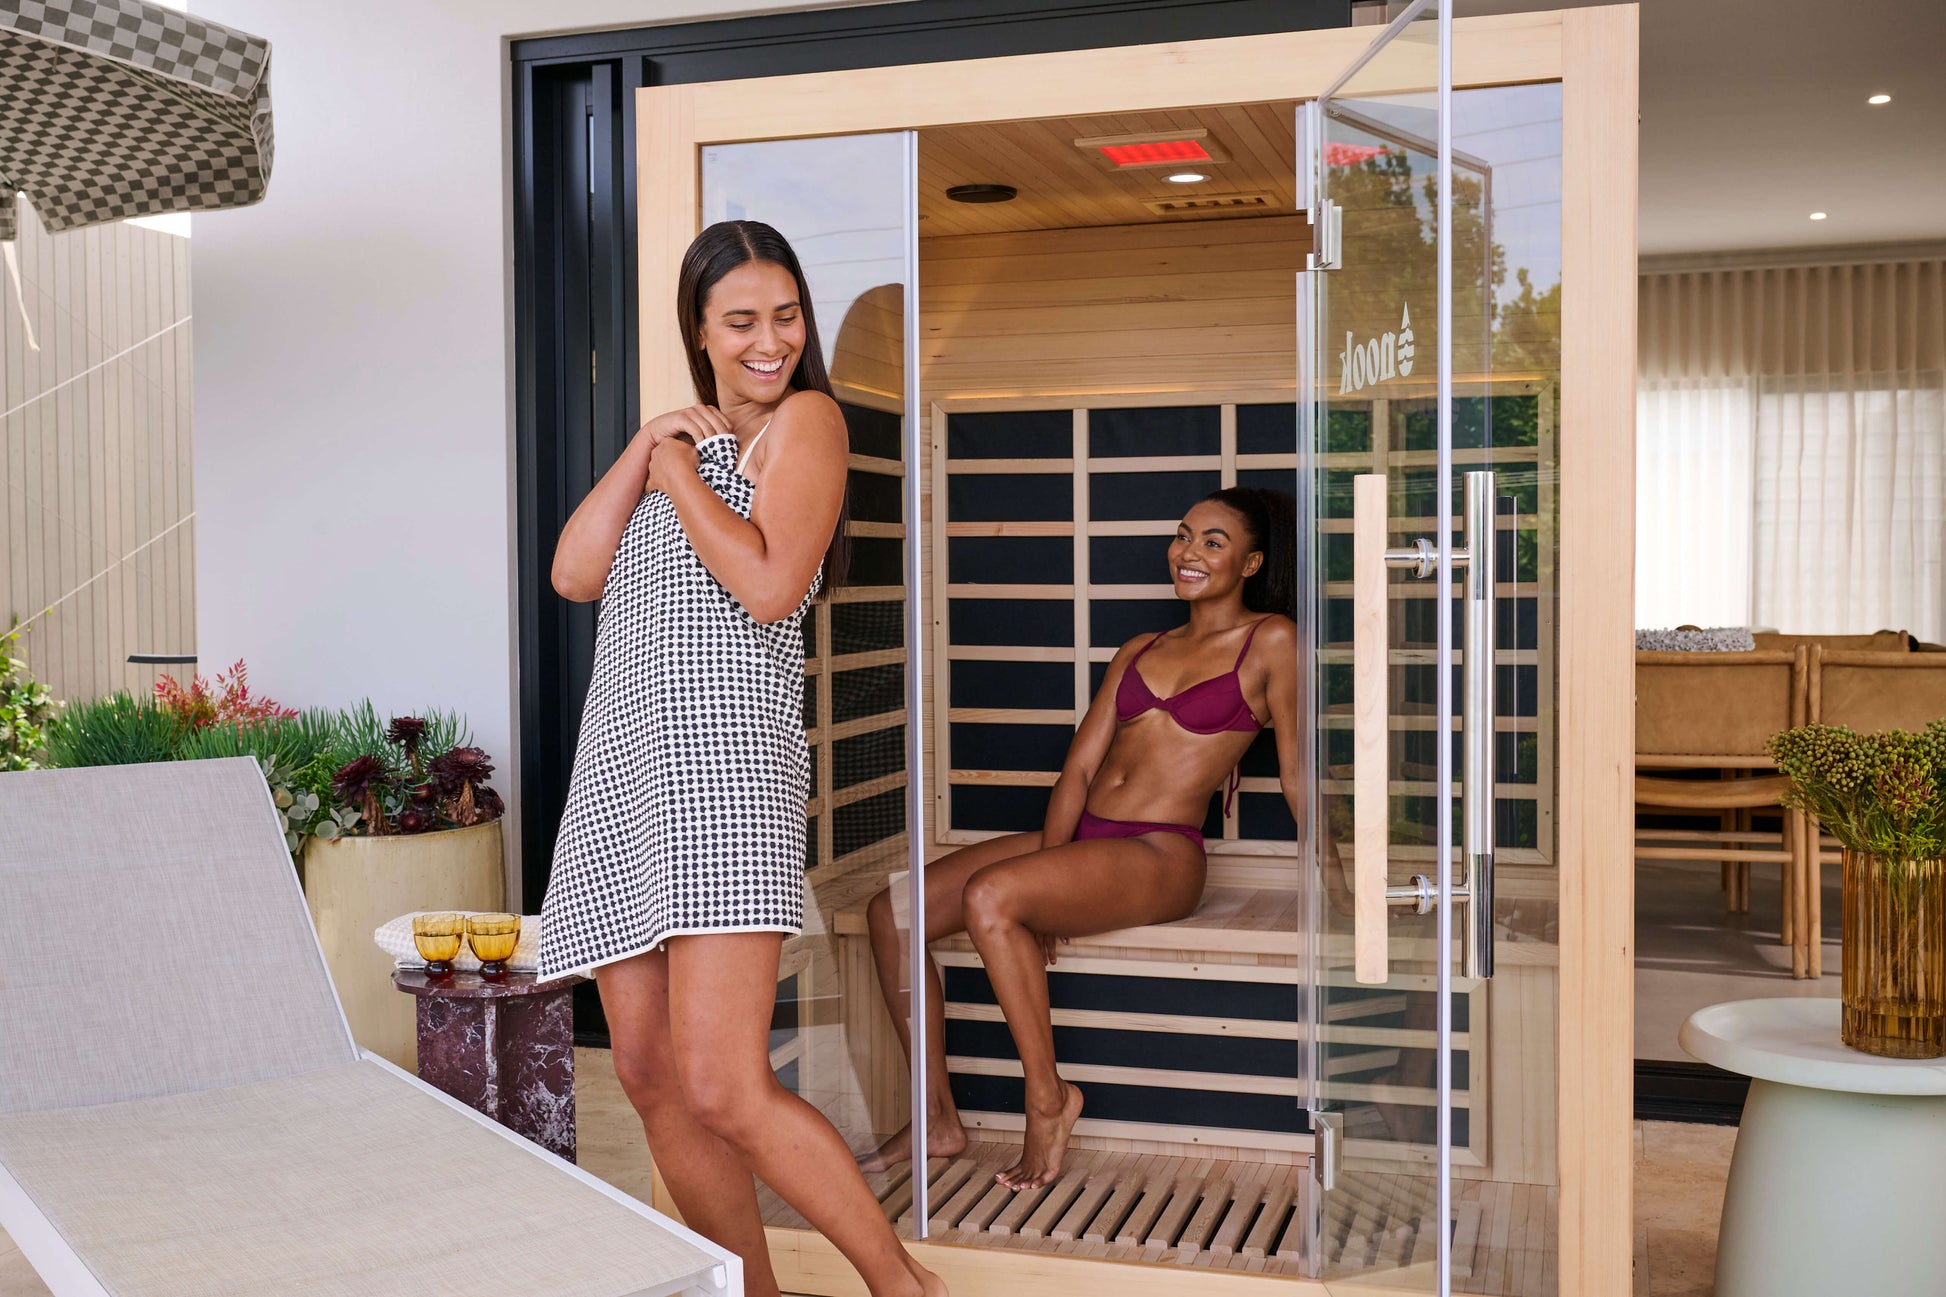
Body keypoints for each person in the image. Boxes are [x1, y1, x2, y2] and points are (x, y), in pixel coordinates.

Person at [540, 220, 945, 1297]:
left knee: (721, 1081)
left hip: (720, 771)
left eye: (785, 316)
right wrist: (646, 450)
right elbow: (574, 573)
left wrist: (675, 478)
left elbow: (767, 587)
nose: (769, 340)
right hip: (621, 771)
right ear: (700, 332)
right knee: (647, 1073)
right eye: (741, 321)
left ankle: (904, 1286)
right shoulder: (678, 444)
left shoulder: (808, 421)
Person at [860, 486, 1303, 1192]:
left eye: (1213, 542)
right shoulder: (1141, 648)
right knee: (894, 912)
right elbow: (1080, 768)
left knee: (992, 896)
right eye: (1184, 534)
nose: (1188, 552)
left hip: (1162, 852)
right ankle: (935, 1114)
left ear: (1250, 563)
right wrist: (1053, 869)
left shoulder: (1273, 639)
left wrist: (1337, 886)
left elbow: (1298, 776)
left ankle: (1048, 1098)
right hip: (1086, 839)